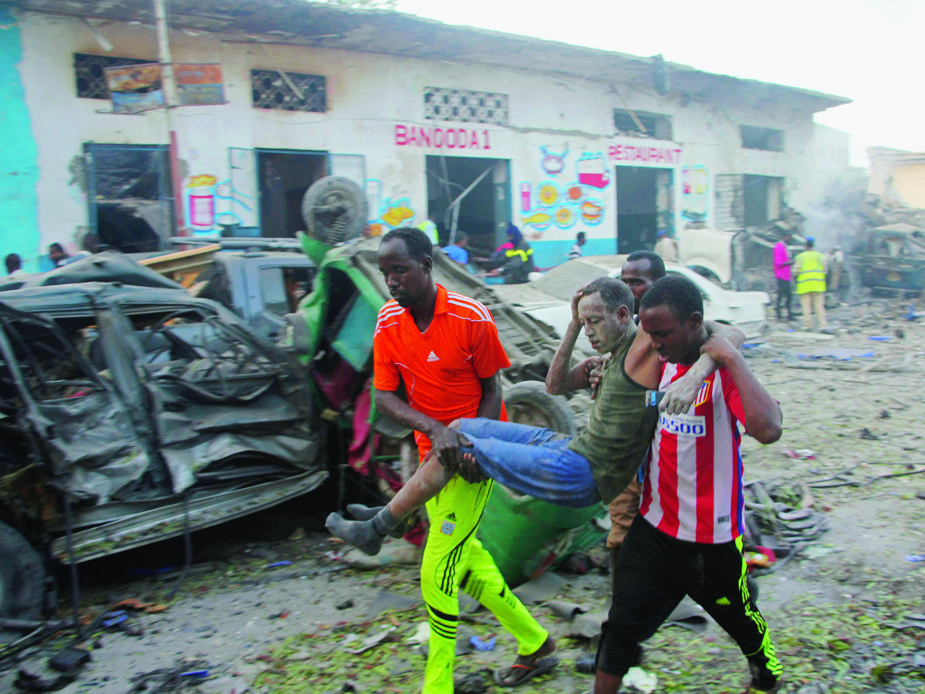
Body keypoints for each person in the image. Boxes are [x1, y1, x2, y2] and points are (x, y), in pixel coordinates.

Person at [332, 227, 556, 692]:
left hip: (474, 458)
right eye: (385, 272)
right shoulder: (388, 322)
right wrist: (435, 430)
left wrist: (477, 443)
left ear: (427, 266)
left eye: (400, 270)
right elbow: (384, 397)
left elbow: (493, 388)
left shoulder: (470, 316)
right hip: (430, 459)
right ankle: (536, 642)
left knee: (437, 571)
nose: (391, 281)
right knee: (468, 562)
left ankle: (438, 684)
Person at [593, 274, 783, 694]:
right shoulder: (655, 365)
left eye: (663, 333)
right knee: (619, 628)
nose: (656, 342)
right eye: (650, 334)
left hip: (711, 541)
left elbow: (768, 429)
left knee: (740, 618)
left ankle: (766, 675)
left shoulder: (719, 372)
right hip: (655, 529)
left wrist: (730, 358)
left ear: (695, 323)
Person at [793, 237, 827, 330]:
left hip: (804, 286)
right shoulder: (820, 256)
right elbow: (825, 270)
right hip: (818, 285)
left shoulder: (800, 256)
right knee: (819, 307)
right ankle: (823, 325)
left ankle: (808, 326)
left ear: (805, 246)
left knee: (806, 307)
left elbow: (796, 270)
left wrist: (796, 277)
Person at [772, 231, 794, 322]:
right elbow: (779, 262)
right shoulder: (779, 246)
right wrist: (790, 262)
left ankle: (788, 314)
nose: (790, 239)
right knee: (782, 295)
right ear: (785, 236)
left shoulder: (785, 247)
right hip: (781, 275)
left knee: (787, 295)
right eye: (789, 237)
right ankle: (779, 315)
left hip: (786, 275)